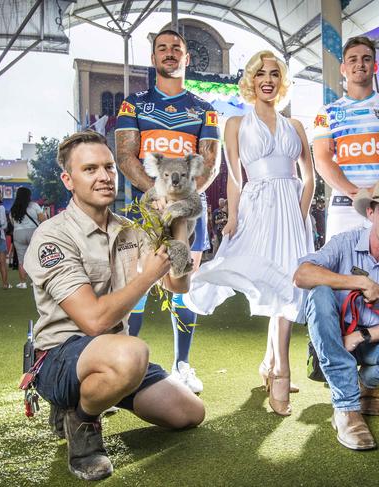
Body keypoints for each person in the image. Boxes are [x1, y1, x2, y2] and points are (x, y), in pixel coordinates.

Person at [24, 131, 204, 481]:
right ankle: (81, 419)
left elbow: (178, 283)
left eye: (108, 167)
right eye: (90, 169)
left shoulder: (129, 229)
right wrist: (145, 277)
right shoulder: (53, 235)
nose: (104, 176)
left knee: (189, 412)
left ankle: (100, 393)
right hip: (62, 356)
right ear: (68, 180)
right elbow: (93, 321)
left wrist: (178, 223)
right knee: (132, 352)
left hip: (113, 356)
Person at [183, 51, 315, 416]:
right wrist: (233, 216)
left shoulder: (298, 127)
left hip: (291, 210)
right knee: (267, 280)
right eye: (261, 74)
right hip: (257, 208)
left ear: (281, 81)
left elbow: (310, 179)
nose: (268, 79)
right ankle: (279, 369)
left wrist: (300, 216)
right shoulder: (235, 124)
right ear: (251, 81)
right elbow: (236, 178)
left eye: (274, 74)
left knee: (288, 286)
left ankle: (274, 366)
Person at [294, 176, 379, 450]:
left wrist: (360, 336)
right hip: (336, 340)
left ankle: (366, 380)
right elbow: (301, 275)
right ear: (370, 212)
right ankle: (346, 408)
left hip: (373, 341)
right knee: (320, 291)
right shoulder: (345, 242)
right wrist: (359, 282)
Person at [115, 29, 221, 393]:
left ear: (187, 58)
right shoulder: (134, 104)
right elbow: (125, 156)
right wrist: (156, 192)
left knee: (181, 286)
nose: (170, 53)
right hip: (145, 208)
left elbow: (210, 163)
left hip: (189, 212)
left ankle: (183, 366)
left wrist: (179, 202)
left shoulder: (204, 110)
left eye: (177, 48)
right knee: (137, 286)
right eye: (163, 48)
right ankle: (123, 367)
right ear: (154, 57)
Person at [313, 36, 379, 241]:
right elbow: (322, 161)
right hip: (344, 205)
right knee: (341, 269)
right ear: (343, 68)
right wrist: (355, 193)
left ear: (375, 66)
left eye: (366, 59)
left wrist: (374, 191)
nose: (360, 64)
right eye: (353, 59)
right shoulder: (327, 112)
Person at [10, 187, 47, 288]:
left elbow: (12, 223)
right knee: (35, 258)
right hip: (33, 232)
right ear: (29, 195)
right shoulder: (34, 205)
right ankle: (35, 282)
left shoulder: (13, 208)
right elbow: (43, 219)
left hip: (18, 233)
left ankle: (23, 283)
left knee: (21, 260)